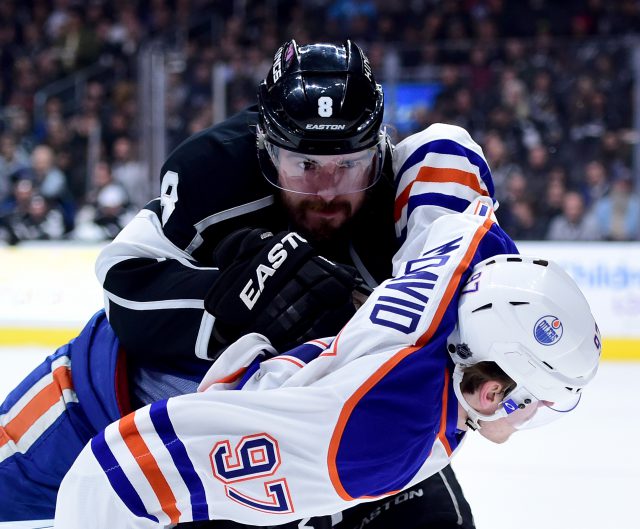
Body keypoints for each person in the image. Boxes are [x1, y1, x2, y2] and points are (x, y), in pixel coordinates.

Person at [92, 39, 496, 529]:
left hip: (347, 419)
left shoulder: (407, 199)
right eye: (305, 166)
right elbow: (124, 281)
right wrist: (233, 308)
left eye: (348, 166)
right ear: (265, 147)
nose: (327, 190)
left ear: (379, 148)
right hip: (130, 403)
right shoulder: (212, 174)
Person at [52, 197, 601, 528]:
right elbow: (113, 475)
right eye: (532, 401)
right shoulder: (376, 438)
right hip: (218, 431)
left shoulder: (474, 254)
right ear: (489, 393)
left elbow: (444, 147)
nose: (529, 417)